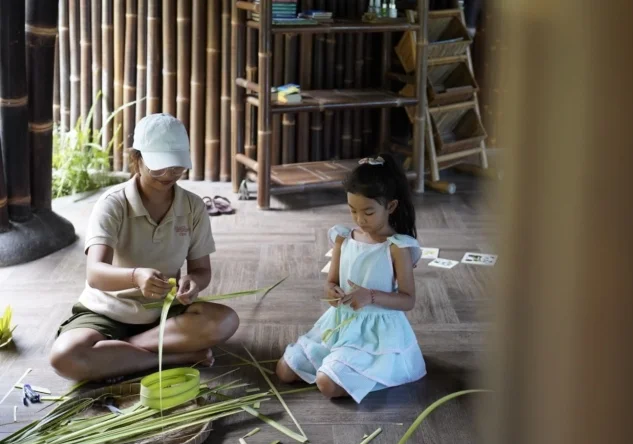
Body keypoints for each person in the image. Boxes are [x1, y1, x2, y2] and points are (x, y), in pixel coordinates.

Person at [49, 113, 239, 382]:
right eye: (158, 167)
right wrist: (135, 276)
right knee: (64, 358)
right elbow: (95, 274)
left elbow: (201, 270)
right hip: (107, 309)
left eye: (176, 168)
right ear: (136, 159)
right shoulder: (112, 204)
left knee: (226, 320)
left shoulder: (193, 207)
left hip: (163, 313)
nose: (168, 175)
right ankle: (174, 357)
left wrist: (193, 282)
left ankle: (123, 351)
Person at [276, 154, 426, 402]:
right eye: (352, 210)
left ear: (390, 206)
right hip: (339, 325)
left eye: (368, 212)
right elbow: (331, 282)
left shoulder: (397, 247)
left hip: (376, 334)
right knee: (284, 370)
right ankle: (338, 366)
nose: (359, 219)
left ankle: (375, 369)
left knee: (326, 384)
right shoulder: (343, 238)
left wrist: (371, 296)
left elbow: (408, 300)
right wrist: (331, 292)